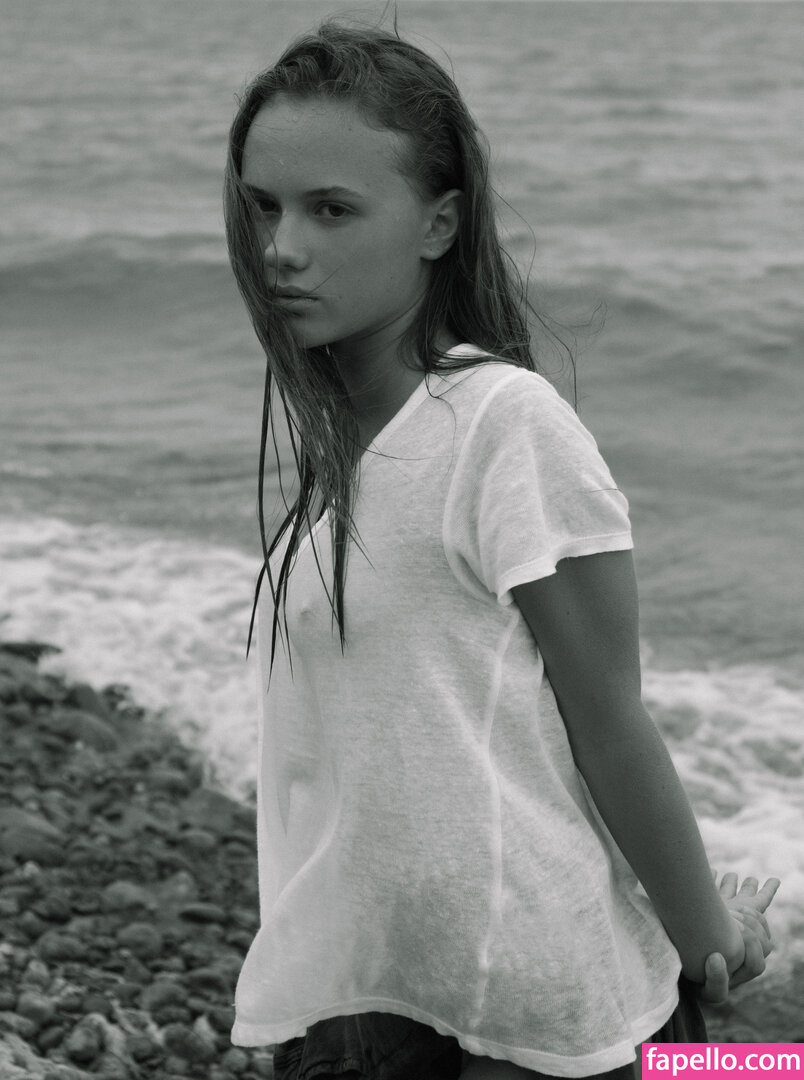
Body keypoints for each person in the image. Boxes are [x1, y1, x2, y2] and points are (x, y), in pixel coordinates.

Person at [222, 20, 780, 1080]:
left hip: (539, 1010)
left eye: (331, 209)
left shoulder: (502, 425)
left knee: (761, 1071)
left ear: (439, 223)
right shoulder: (350, 448)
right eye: (263, 207)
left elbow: (609, 719)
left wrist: (714, 937)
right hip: (383, 1001)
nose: (281, 247)